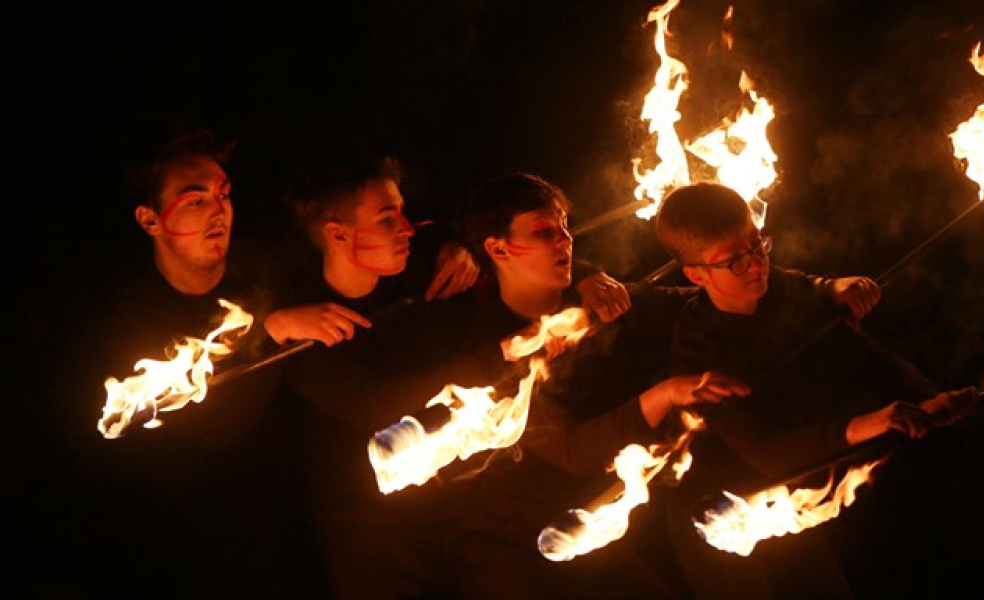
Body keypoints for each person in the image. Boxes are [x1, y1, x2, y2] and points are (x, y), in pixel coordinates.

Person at [39, 125, 402, 598]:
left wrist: (461, 247)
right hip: (185, 539)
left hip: (294, 514)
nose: (219, 211)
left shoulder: (264, 266)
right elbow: (219, 430)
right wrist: (273, 328)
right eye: (196, 200)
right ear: (150, 220)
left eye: (223, 194)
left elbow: (351, 251)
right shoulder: (131, 320)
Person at [275, 158, 630, 599]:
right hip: (374, 526)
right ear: (337, 234)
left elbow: (521, 248)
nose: (407, 228)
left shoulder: (430, 259)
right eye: (387, 219)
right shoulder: (304, 332)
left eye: (402, 212)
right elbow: (380, 406)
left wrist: (586, 275)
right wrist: (505, 352)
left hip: (470, 506)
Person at [652, 182, 980, 600]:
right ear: (697, 274)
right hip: (714, 517)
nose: (756, 265)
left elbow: (862, 351)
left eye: (757, 244)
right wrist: (873, 423)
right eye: (735, 260)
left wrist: (925, 397)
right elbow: (769, 450)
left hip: (787, 498)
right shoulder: (698, 349)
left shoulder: (783, 290)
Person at [445, 171, 751, 600]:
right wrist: (666, 394)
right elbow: (574, 451)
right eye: (544, 232)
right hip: (506, 547)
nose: (565, 241)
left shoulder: (599, 302)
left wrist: (821, 289)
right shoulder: (492, 350)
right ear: (498, 248)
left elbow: (694, 303)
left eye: (565, 227)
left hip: (586, 533)